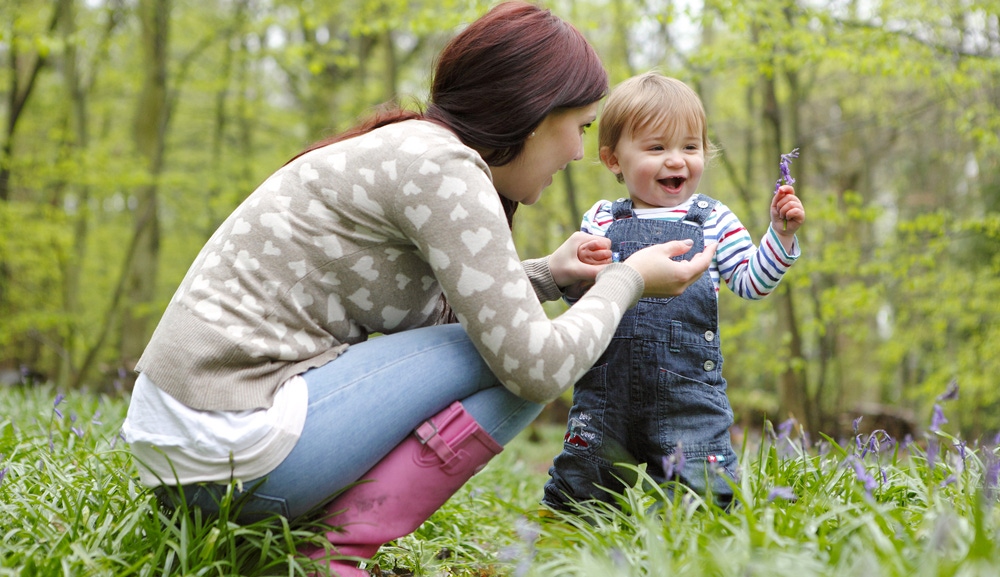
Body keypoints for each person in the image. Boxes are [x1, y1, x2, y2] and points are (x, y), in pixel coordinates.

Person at [121, 5, 716, 576]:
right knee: (532, 362)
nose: (580, 152)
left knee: (518, 346)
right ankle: (333, 555)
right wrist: (628, 278)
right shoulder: (443, 169)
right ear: (534, 112)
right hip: (230, 446)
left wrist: (549, 276)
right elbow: (534, 366)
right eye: (579, 127)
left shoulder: (415, 149)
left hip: (189, 451)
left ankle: (305, 547)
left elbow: (429, 331)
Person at [542, 72, 805, 513]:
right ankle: (559, 546)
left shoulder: (714, 219)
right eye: (656, 147)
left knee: (707, 498)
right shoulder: (601, 219)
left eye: (690, 147)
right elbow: (582, 301)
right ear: (613, 160)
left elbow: (752, 282)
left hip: (690, 398)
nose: (676, 160)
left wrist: (780, 237)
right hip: (606, 395)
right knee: (580, 490)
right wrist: (579, 271)